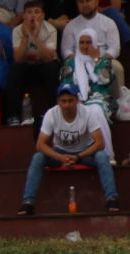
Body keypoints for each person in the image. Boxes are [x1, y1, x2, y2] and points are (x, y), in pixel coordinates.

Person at [21, 84, 120, 215]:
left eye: (70, 100)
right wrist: (61, 158)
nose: (67, 105)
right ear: (58, 101)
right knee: (38, 157)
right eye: (63, 101)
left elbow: (100, 143)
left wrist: (78, 156)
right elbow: (40, 145)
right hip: (60, 152)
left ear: (77, 100)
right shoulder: (51, 114)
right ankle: (28, 202)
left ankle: (111, 199)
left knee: (102, 156)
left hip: (84, 152)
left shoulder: (87, 113)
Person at [59, 31, 119, 148]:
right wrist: (76, 100)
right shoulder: (70, 63)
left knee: (95, 110)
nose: (85, 46)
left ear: (95, 44)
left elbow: (106, 79)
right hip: (76, 99)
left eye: (88, 42)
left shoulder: (104, 61)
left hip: (101, 99)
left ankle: (105, 152)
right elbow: (66, 86)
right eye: (82, 42)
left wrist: (96, 60)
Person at [8, 2, 60, 126]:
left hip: (45, 66)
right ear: (24, 16)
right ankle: (13, 116)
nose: (33, 16)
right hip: (27, 66)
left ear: (42, 15)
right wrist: (26, 38)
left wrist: (36, 37)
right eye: (29, 12)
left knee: (52, 68)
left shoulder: (50, 30)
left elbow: (48, 58)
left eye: (37, 12)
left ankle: (55, 113)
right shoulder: (17, 30)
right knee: (15, 69)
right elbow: (18, 58)